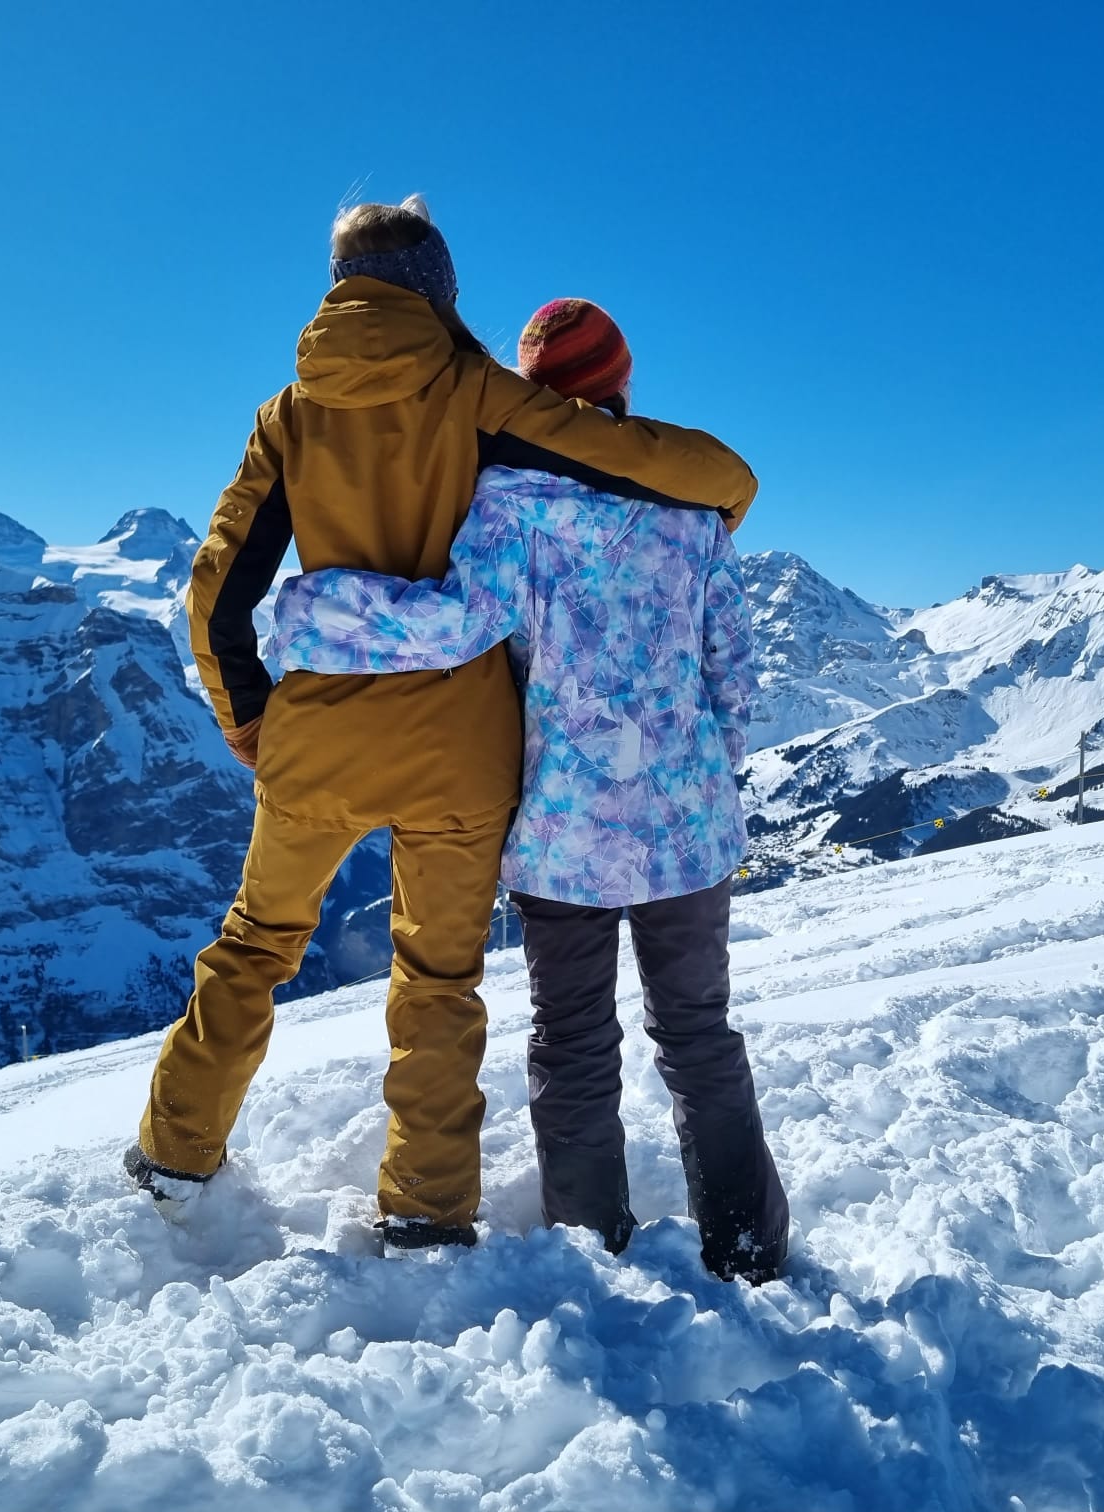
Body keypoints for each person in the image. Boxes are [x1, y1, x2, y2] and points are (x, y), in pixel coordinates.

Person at [127, 202, 759, 1257]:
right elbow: (668, 473)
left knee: (253, 945)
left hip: (316, 736)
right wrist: (728, 496)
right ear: (440, 287)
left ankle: (176, 1153)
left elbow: (219, 591)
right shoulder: (479, 398)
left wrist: (254, 720)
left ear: (339, 287)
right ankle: (424, 1203)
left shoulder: (288, 417)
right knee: (438, 981)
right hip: (462, 754)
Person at [266, 299, 789, 1283]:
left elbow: (451, 626)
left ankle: (593, 1254)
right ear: (624, 386)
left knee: (574, 1042)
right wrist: (699, 771)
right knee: (700, 1037)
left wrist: (312, 612)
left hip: (563, 829)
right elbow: (736, 673)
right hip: (686, 829)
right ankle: (749, 1249)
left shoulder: (511, 506)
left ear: (536, 397)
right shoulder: (693, 512)